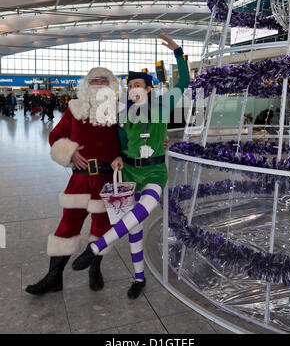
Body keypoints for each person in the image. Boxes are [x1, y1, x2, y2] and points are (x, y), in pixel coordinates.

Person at [71, 34, 191, 299]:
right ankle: (139, 278)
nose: (134, 88)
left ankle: (94, 249)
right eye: (131, 85)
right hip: (128, 173)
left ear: (148, 88)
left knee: (144, 209)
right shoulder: (124, 112)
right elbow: (119, 142)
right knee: (133, 228)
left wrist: (178, 51)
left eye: (138, 84)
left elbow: (184, 81)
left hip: (155, 172)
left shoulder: (163, 106)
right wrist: (118, 157)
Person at [25, 67, 122, 296]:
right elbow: (55, 136)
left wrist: (159, 143)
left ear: (112, 86)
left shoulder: (122, 110)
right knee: (67, 225)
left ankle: (95, 269)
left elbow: (136, 138)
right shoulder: (75, 109)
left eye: (104, 81)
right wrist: (70, 153)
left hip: (108, 179)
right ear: (87, 85)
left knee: (102, 227)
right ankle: (54, 277)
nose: (99, 84)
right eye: (95, 80)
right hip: (80, 179)